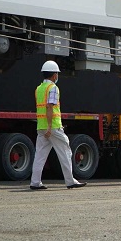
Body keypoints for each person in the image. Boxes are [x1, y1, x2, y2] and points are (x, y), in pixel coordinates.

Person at [29, 60, 86, 190]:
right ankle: (70, 181)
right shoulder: (53, 88)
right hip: (53, 127)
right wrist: (50, 127)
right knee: (65, 151)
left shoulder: (38, 89)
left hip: (41, 127)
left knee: (40, 155)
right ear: (54, 75)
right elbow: (49, 107)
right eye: (57, 74)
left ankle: (35, 182)